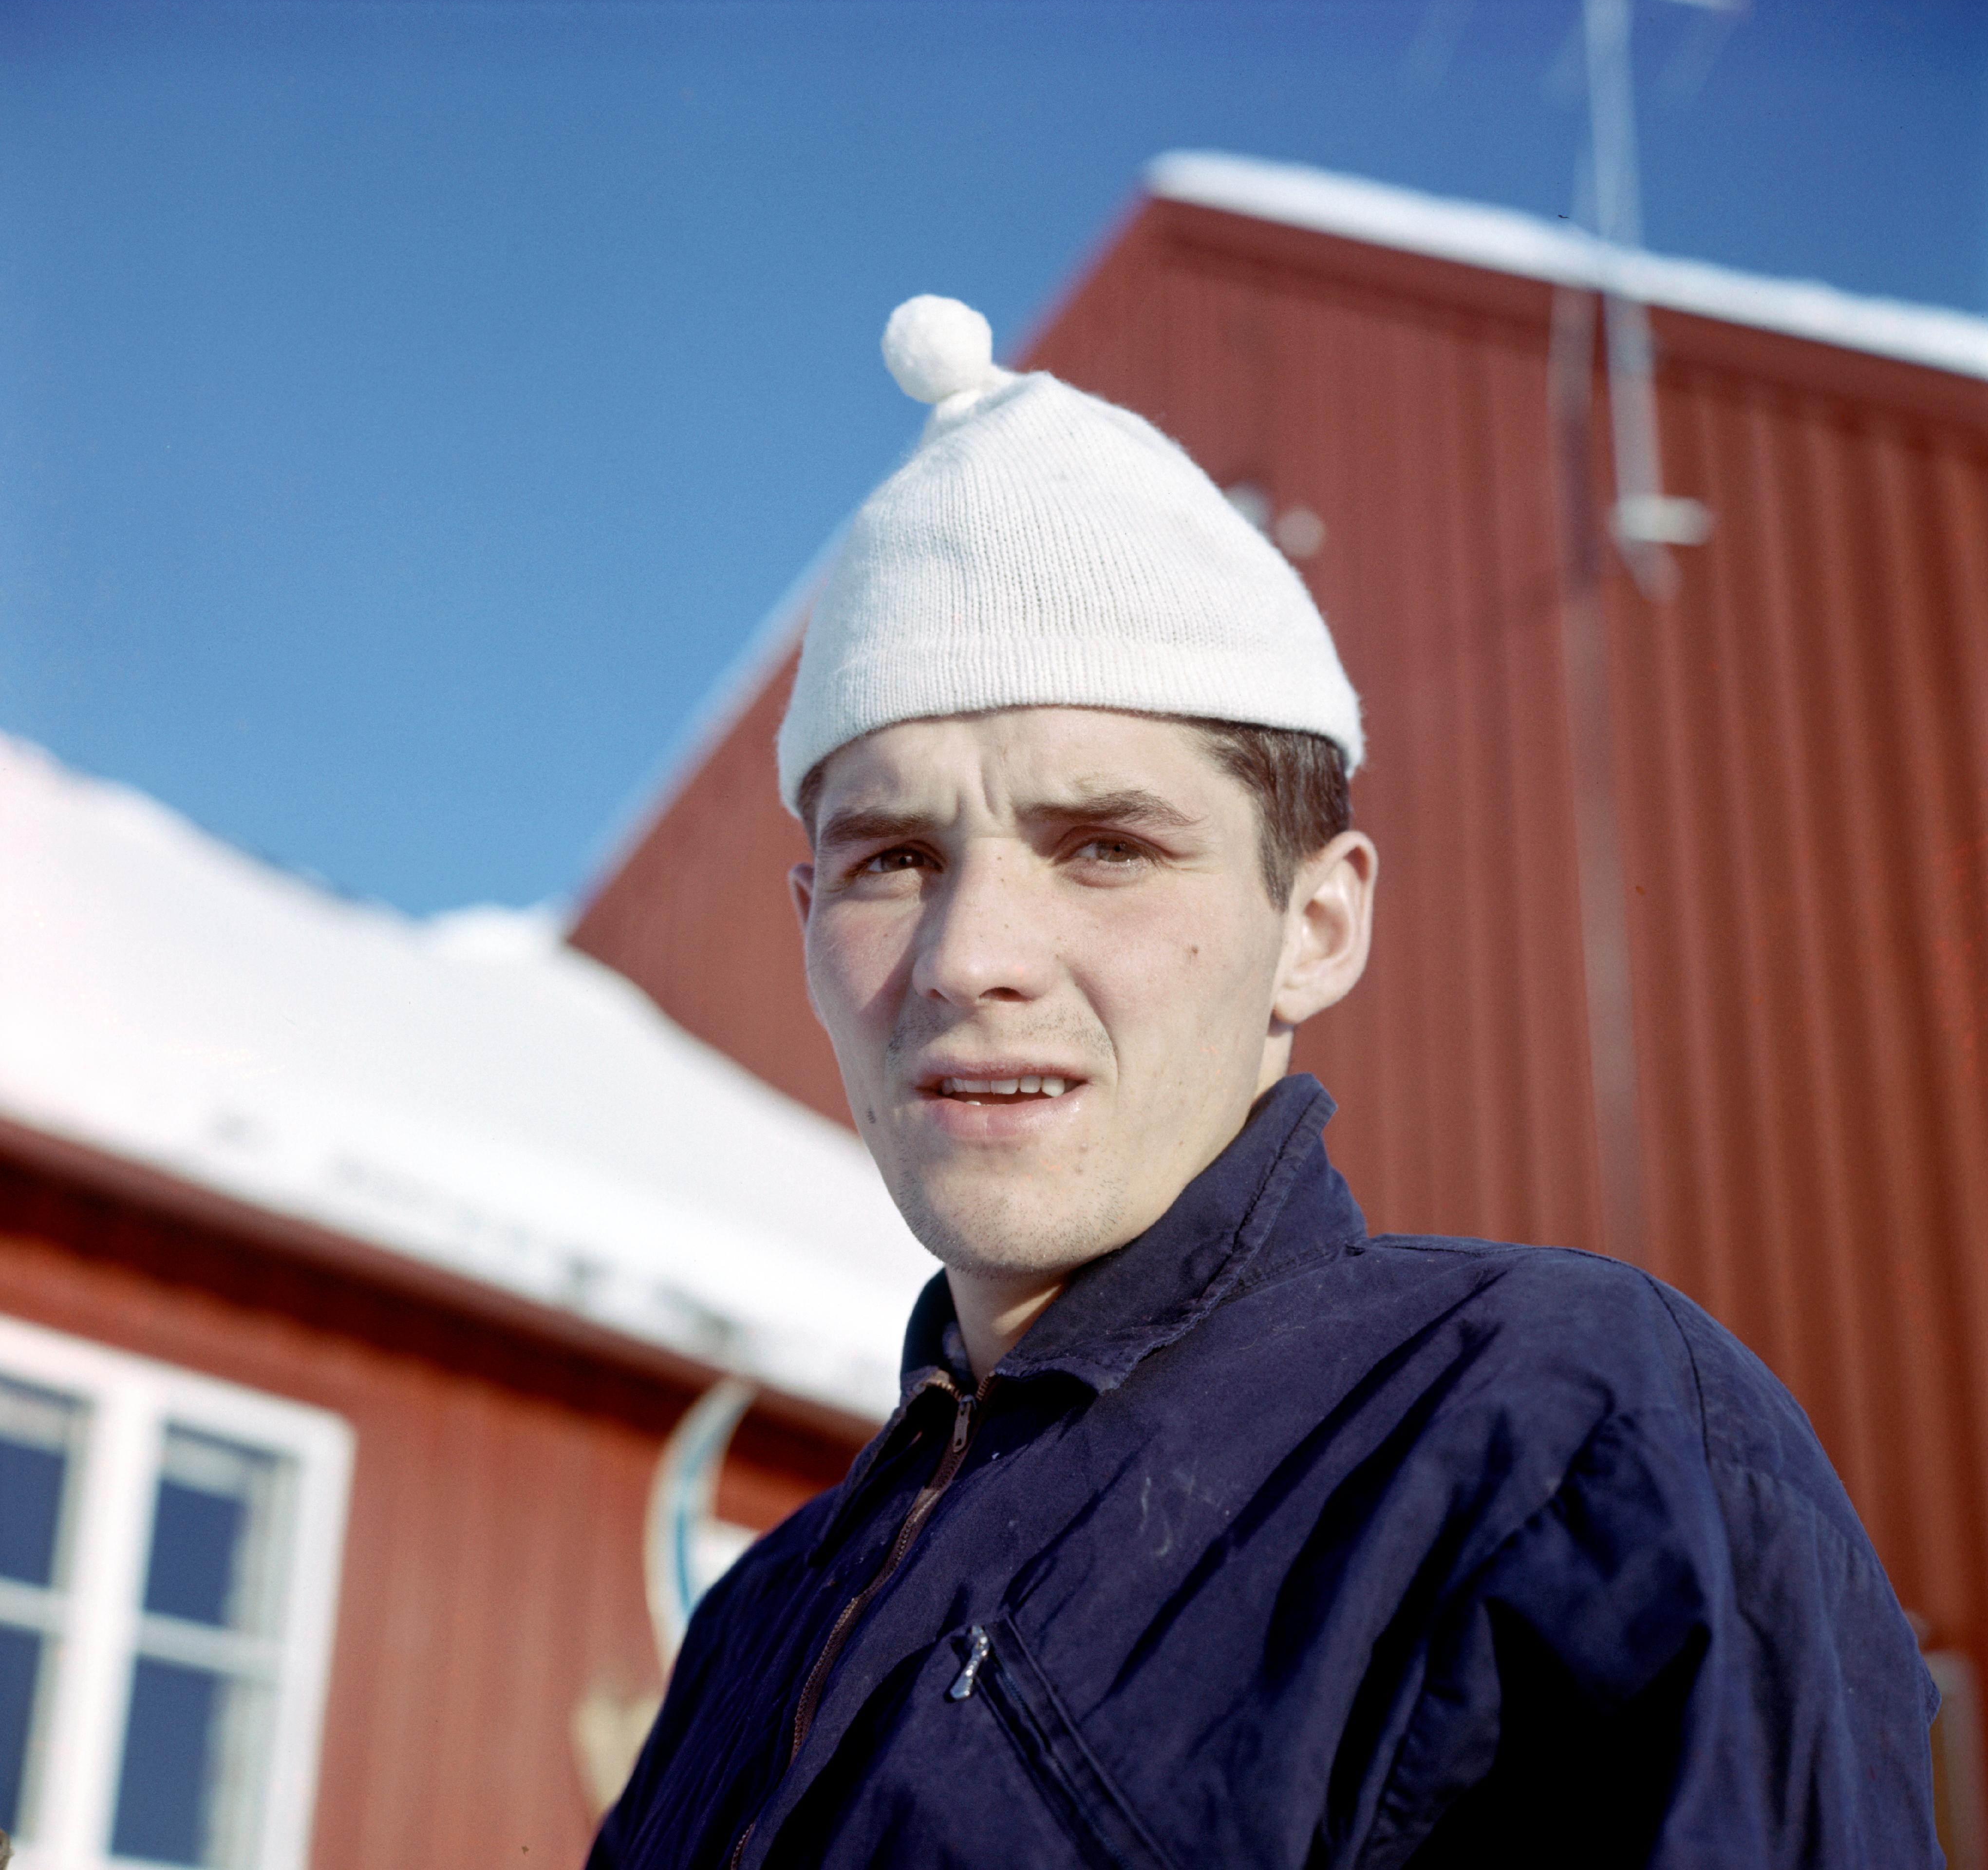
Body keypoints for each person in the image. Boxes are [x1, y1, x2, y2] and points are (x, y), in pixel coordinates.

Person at [590, 296, 1939, 1869]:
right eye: (896, 858)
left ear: (1315, 922)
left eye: (1104, 846)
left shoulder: (1556, 1434)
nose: (968, 957)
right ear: (811, 926)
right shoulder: (765, 1615)